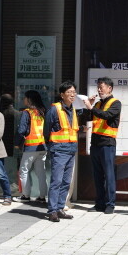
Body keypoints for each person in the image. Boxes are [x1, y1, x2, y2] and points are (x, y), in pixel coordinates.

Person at [84, 77, 121, 214]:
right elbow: (88, 119)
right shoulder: (98, 104)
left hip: (107, 143)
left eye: (102, 87)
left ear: (110, 88)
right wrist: (89, 107)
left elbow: (106, 115)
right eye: (98, 88)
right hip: (95, 143)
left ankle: (110, 204)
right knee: (97, 175)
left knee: (109, 175)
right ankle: (99, 203)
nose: (99, 90)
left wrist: (91, 107)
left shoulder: (116, 103)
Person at [44, 82, 80, 222]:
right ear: (62, 94)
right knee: (56, 181)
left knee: (66, 181)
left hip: (71, 150)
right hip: (59, 150)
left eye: (74, 92)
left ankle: (60, 208)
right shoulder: (54, 109)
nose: (72, 94)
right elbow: (47, 130)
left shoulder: (73, 109)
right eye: (69, 92)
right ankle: (52, 210)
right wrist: (51, 145)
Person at [15, 90, 48, 203]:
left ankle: (25, 195)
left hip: (31, 146)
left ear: (29, 99)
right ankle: (42, 197)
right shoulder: (43, 111)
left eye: (25, 97)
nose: (23, 99)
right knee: (41, 172)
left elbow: (21, 130)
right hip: (42, 146)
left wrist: (16, 143)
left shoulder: (27, 112)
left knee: (24, 170)